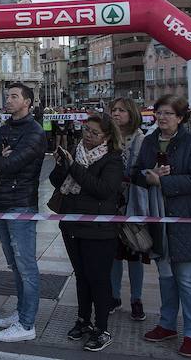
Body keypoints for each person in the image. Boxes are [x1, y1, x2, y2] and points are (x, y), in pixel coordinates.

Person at [134, 95, 191, 358]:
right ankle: (167, 324)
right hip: (157, 218)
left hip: (185, 220)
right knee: (166, 278)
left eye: (169, 113)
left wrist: (163, 183)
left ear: (180, 117)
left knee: (188, 280)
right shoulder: (149, 141)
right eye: (159, 113)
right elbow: (135, 172)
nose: (162, 117)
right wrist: (149, 175)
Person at [50, 113, 124, 352]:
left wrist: (74, 167)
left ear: (107, 136)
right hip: (72, 224)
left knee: (98, 278)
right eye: (86, 130)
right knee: (81, 276)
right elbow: (56, 181)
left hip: (99, 229)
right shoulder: (75, 150)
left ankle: (102, 328)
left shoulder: (112, 159)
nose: (88, 136)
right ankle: (83, 319)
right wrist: (61, 166)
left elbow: (103, 190)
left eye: (95, 133)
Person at [0, 82, 46, 343]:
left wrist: (0, 159)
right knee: (15, 264)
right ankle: (21, 312)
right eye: (7, 96)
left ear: (27, 102)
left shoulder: (34, 132)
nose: (8, 100)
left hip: (21, 203)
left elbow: (10, 164)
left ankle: (27, 323)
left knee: (25, 265)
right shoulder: (6, 128)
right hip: (2, 201)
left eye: (14, 96)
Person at [109, 97, 148, 321]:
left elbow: (142, 171)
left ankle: (136, 298)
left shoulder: (140, 139)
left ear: (131, 114)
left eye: (122, 110)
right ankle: (114, 295)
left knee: (134, 252)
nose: (116, 114)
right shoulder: (109, 137)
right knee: (114, 253)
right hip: (112, 202)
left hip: (132, 202)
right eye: (114, 110)